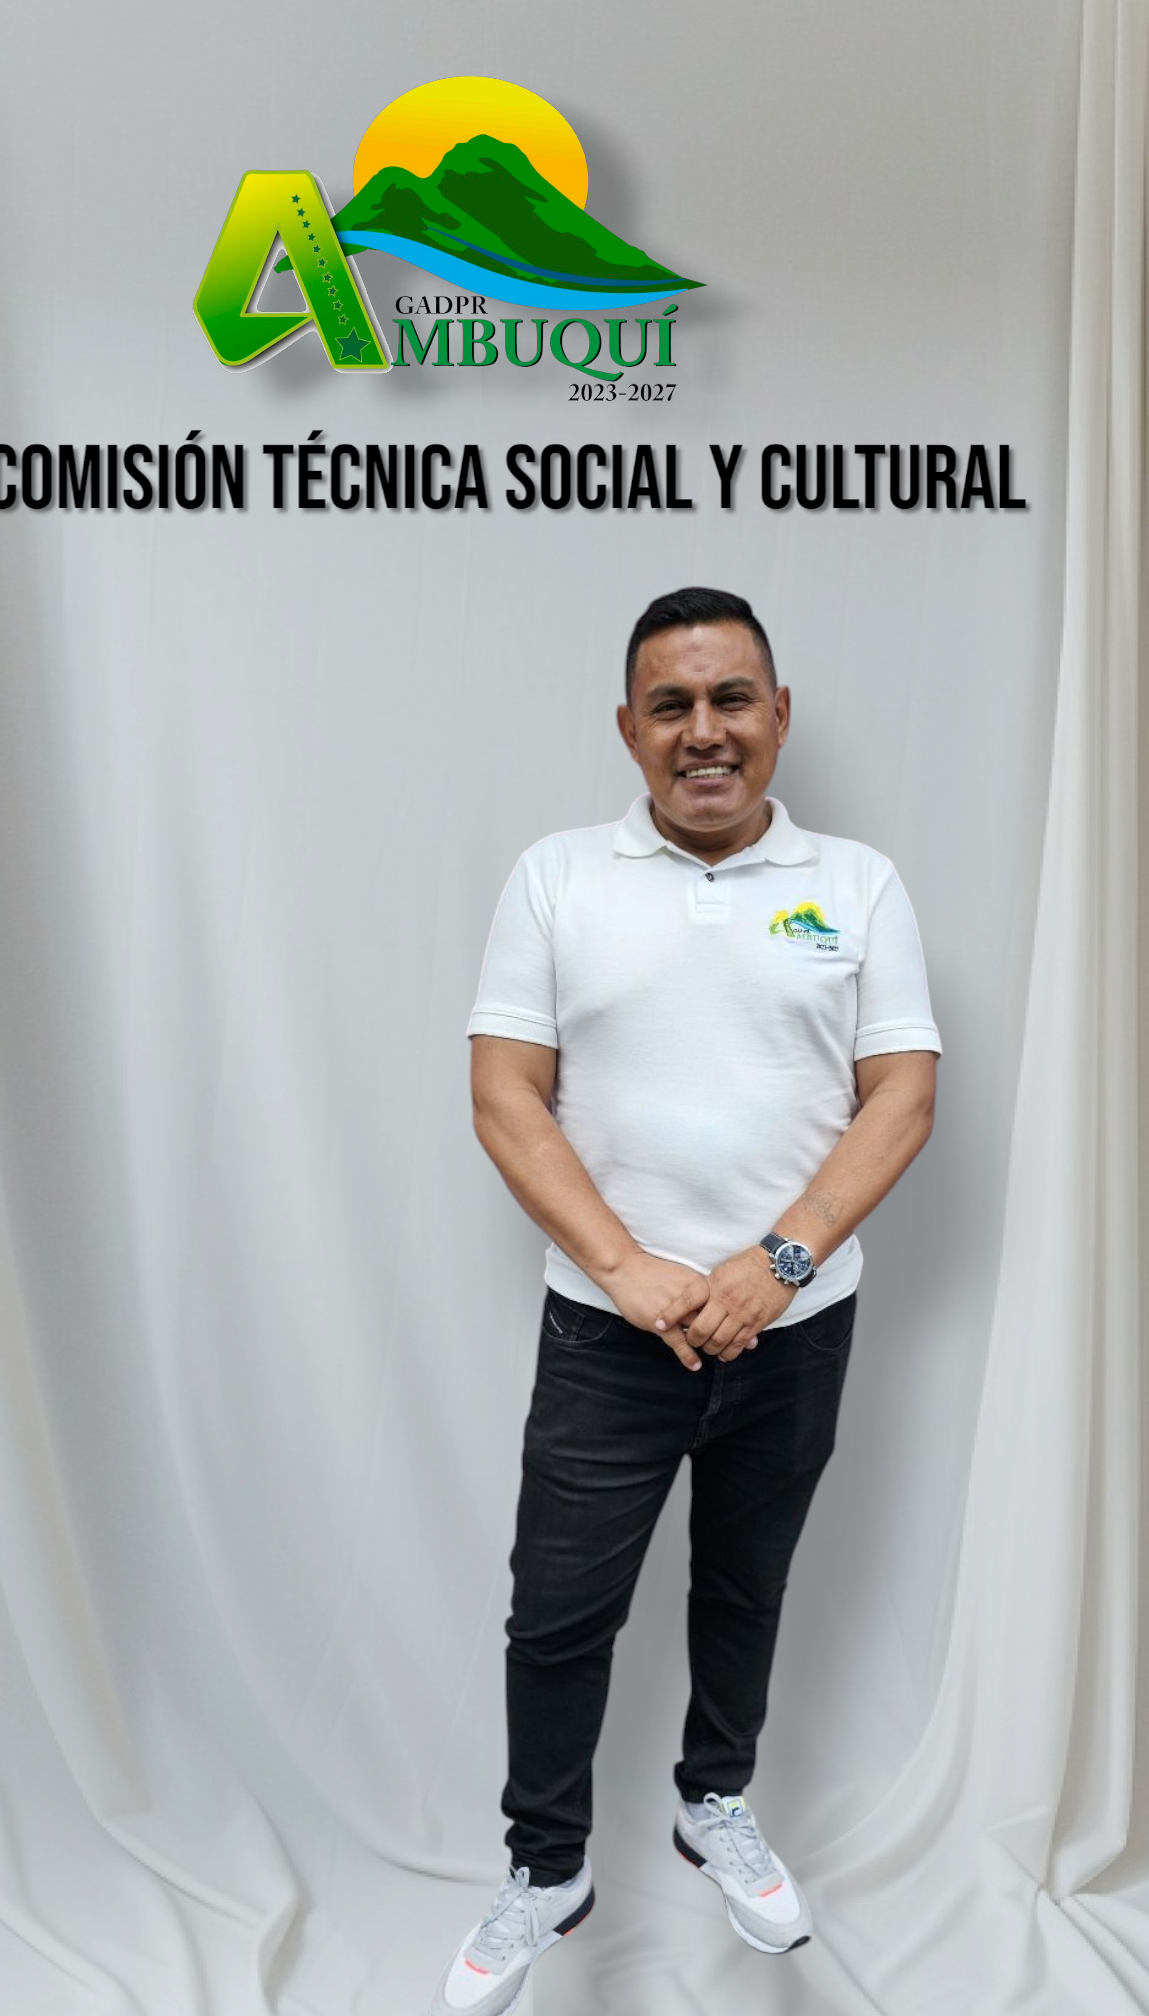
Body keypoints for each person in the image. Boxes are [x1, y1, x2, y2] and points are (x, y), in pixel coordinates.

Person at [431, 587, 941, 2016]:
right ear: (628, 728)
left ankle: (714, 1799)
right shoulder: (556, 879)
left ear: (778, 715)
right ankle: (546, 1870)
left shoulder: (858, 885)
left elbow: (901, 1094)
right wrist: (627, 1267)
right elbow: (504, 1093)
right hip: (610, 1333)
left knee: (746, 1582)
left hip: (796, 1328)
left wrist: (777, 1264)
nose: (703, 732)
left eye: (731, 701)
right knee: (558, 1617)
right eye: (672, 706)